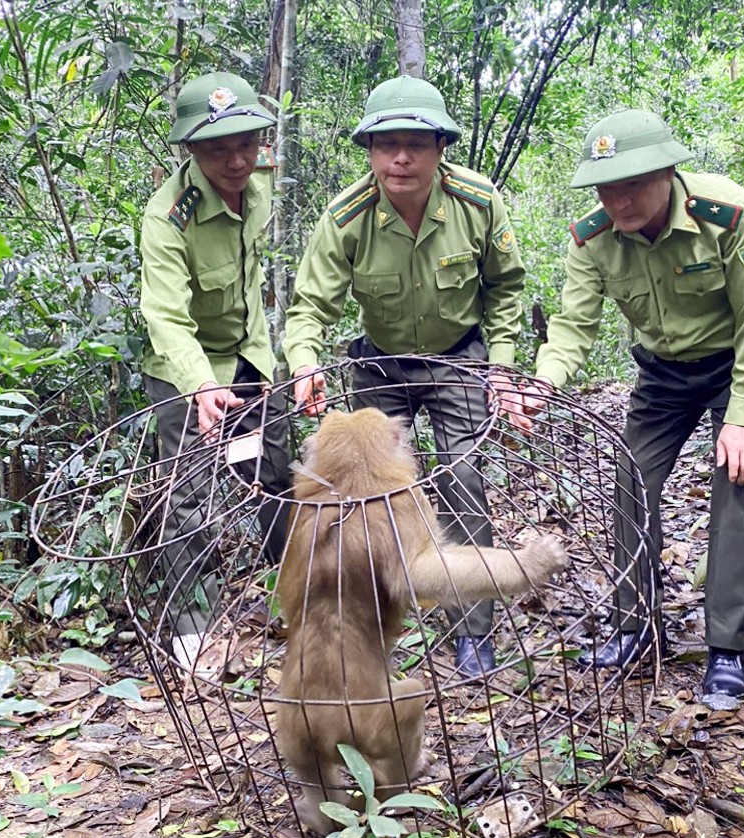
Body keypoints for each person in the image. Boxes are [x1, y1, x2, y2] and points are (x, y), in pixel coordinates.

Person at [524, 109, 744, 697]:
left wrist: (743, 418)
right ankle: (635, 625)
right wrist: (543, 382)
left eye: (634, 183)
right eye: (606, 187)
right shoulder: (592, 238)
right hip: (663, 375)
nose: (619, 201)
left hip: (736, 363)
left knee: (737, 481)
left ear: (669, 171)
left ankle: (727, 649)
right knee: (630, 476)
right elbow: (572, 325)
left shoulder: (730, 215)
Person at [282, 75, 527, 678]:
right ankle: (367, 626)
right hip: (380, 365)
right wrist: (305, 362)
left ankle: (473, 630)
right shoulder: (347, 215)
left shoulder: (478, 202)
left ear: (440, 146)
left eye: (416, 143)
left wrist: (501, 368)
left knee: (463, 475)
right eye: (386, 143)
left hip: (457, 356)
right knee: (365, 496)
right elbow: (310, 305)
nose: (400, 157)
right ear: (369, 149)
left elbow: (506, 289)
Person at [139, 72, 291, 670]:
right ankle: (192, 633)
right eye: (217, 148)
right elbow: (165, 316)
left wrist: (267, 364)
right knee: (191, 498)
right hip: (186, 374)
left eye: (246, 144)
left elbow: (251, 287)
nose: (235, 160)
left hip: (250, 357)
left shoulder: (258, 190)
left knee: (274, 475)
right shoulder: (168, 218)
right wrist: (204, 385)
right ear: (192, 151)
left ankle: (298, 593)